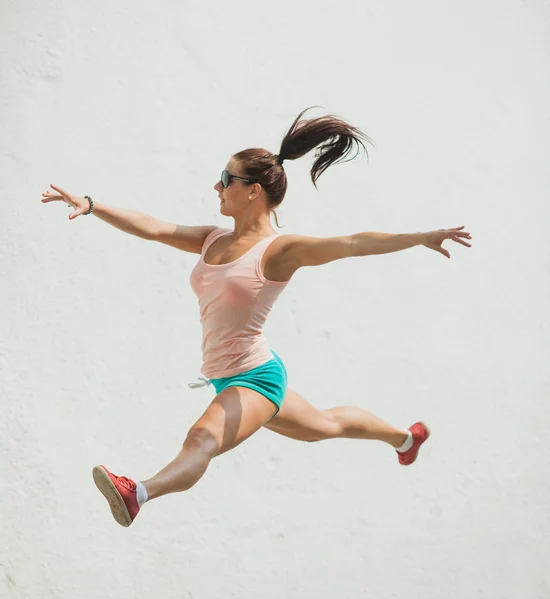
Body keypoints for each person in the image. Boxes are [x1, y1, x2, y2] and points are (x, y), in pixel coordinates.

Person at [41, 107, 472, 527]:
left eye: (226, 179)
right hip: (232, 376)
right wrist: (92, 204)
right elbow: (153, 227)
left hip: (255, 378)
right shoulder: (212, 239)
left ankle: (138, 493)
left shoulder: (279, 252)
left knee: (201, 439)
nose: (217, 185)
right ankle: (405, 438)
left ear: (252, 191)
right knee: (325, 423)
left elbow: (353, 242)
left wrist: (421, 237)